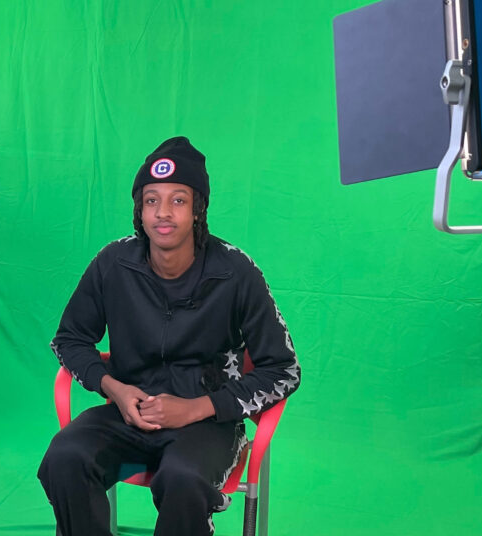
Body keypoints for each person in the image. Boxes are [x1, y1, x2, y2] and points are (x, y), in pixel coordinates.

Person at [38, 136, 301, 536]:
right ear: (139, 211)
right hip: (128, 414)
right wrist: (115, 389)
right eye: (151, 200)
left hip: (207, 424)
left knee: (183, 480)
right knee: (65, 457)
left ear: (198, 209)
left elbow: (284, 369)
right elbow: (69, 339)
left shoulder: (235, 271)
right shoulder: (113, 263)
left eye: (178, 200)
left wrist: (197, 408)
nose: (163, 213)